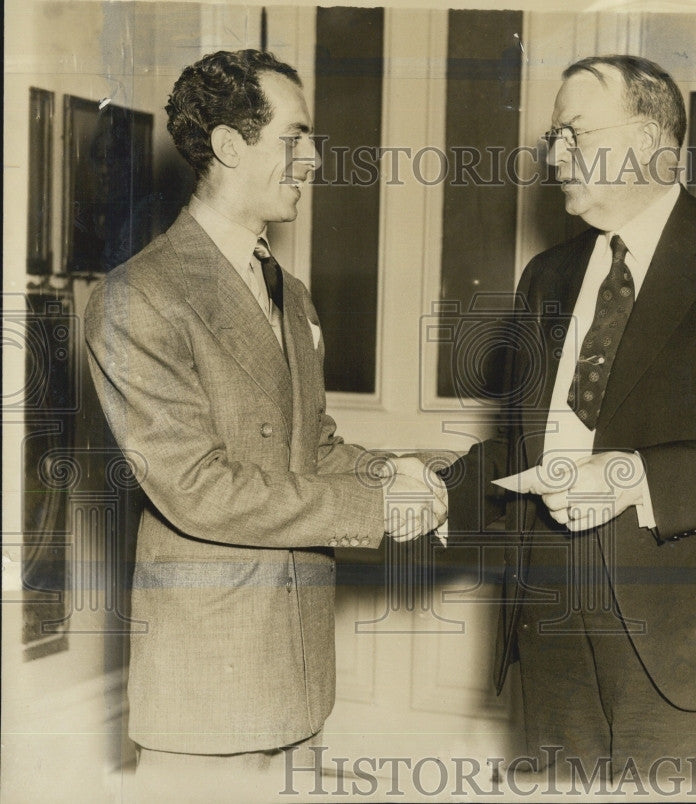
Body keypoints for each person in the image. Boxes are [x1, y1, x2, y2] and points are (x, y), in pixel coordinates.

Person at [441, 55, 696, 788]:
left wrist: (630, 476)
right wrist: (436, 491)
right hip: (552, 630)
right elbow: (538, 447)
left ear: (653, 140)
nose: (554, 155)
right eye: (552, 136)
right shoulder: (548, 277)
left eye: (574, 133)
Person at [84, 49, 446, 800]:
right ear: (227, 146)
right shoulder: (139, 298)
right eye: (296, 137)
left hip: (300, 670)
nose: (314, 158)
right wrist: (378, 508)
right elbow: (197, 489)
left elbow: (311, 447)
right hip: (209, 679)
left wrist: (399, 474)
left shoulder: (293, 294)